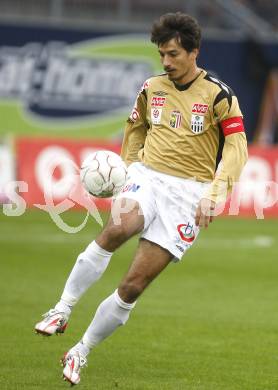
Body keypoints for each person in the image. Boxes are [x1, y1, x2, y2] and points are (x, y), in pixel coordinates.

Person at [34, 12, 248, 385]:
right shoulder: (151, 87)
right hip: (148, 177)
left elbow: (237, 147)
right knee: (121, 227)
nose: (165, 61)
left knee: (133, 286)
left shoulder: (219, 95)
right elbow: (135, 128)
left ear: (194, 51)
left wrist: (216, 193)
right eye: (162, 54)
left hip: (189, 194)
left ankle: (79, 351)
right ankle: (61, 309)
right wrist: (131, 170)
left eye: (173, 54)